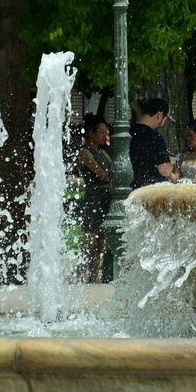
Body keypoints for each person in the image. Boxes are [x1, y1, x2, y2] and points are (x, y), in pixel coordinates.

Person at [75, 114, 112, 283]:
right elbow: (101, 174)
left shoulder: (103, 152)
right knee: (90, 238)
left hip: (105, 198)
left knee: (100, 240)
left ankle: (92, 274)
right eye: (101, 132)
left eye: (106, 132)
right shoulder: (85, 152)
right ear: (91, 133)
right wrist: (110, 176)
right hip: (94, 197)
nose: (105, 136)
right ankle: (82, 274)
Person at [130, 98, 174, 189]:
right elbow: (165, 170)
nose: (164, 123)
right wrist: (171, 162)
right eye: (165, 120)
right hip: (147, 191)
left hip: (128, 188)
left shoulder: (127, 132)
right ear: (159, 115)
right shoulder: (155, 138)